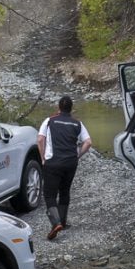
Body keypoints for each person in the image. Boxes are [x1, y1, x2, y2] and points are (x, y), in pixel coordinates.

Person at [38, 95, 91, 240]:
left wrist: (43, 157)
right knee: (65, 191)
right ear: (71, 109)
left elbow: (40, 139)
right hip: (70, 163)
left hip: (53, 162)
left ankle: (55, 223)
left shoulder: (49, 121)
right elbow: (88, 142)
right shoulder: (77, 123)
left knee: (49, 194)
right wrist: (78, 155)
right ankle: (63, 221)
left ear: (58, 108)